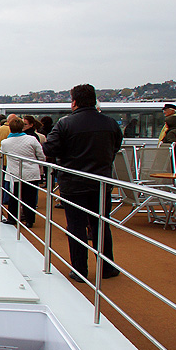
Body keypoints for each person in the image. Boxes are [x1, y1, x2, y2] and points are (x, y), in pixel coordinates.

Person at [42, 84, 123, 282]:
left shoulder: (65, 124)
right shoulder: (110, 123)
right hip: (101, 183)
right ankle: (106, 267)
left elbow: (49, 149)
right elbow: (116, 145)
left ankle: (79, 270)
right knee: (101, 225)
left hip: (73, 183)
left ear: (74, 102)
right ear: (94, 101)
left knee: (76, 226)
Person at [0, 117, 45, 228]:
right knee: (30, 198)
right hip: (31, 173)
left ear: (10, 128)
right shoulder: (32, 139)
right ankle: (29, 220)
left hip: (14, 173)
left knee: (13, 197)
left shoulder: (5, 142)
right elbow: (41, 156)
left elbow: (3, 152)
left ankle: (12, 218)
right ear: (22, 127)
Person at [158, 103, 176, 173]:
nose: (164, 112)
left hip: (169, 151)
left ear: (172, 111)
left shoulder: (175, 121)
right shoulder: (171, 120)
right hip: (166, 150)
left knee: (172, 165)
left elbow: (174, 140)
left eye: (166, 110)